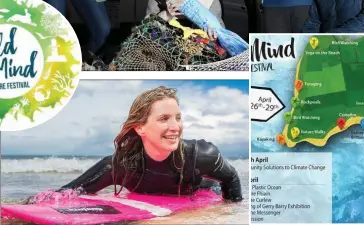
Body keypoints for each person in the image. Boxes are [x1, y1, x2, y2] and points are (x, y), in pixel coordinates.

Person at [25, 86, 243, 202]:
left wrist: (227, 213)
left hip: (201, 194)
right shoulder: (120, 166)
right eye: (163, 119)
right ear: (140, 128)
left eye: (177, 117)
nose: (176, 126)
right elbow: (68, 193)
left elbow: (231, 177)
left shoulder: (201, 155)